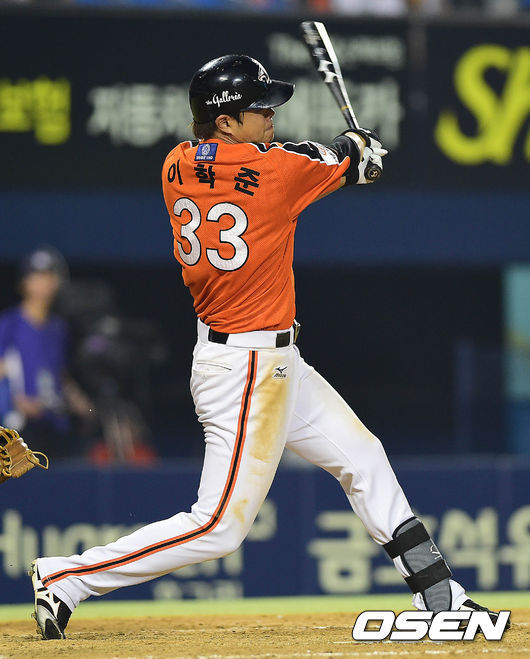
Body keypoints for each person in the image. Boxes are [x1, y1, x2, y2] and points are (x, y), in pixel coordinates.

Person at [30, 55, 507, 640]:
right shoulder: (276, 172)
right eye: (258, 109)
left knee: (363, 457)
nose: (270, 116)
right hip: (247, 369)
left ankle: (440, 596)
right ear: (225, 121)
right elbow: (347, 162)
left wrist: (349, 154)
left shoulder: (176, 164)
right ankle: (67, 578)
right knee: (218, 527)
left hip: (270, 361)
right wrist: (361, 149)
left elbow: (312, 159)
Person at [0, 247, 91, 458]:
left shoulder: (59, 329)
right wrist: (15, 400)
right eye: (37, 276)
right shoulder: (8, 324)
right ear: (24, 282)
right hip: (18, 428)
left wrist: (78, 400)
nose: (44, 282)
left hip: (53, 424)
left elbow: (60, 375)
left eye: (49, 276)